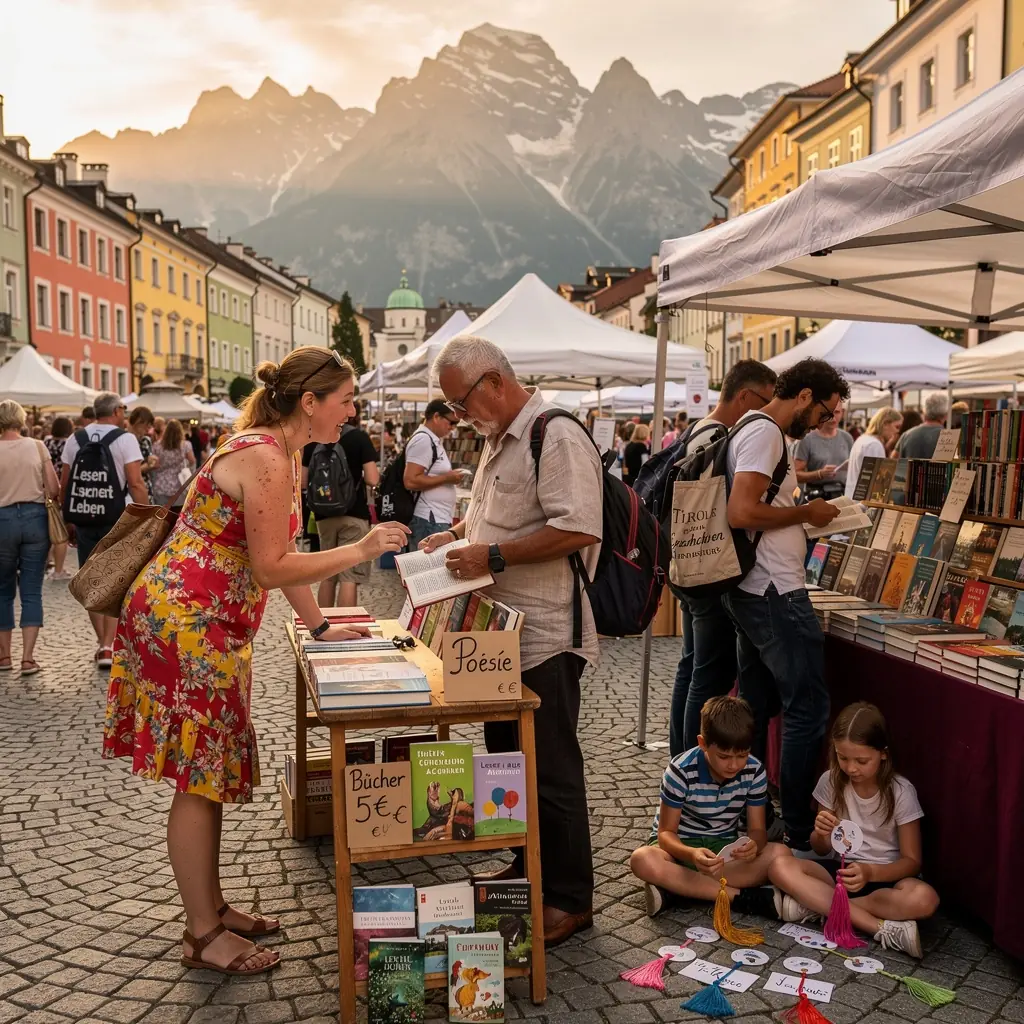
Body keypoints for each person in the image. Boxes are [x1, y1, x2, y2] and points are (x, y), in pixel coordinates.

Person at [102, 348, 410, 976]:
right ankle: (202, 934)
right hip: (187, 624)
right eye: (346, 400)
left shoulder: (277, 451)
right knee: (197, 776)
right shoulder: (268, 457)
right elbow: (271, 567)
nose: (352, 411)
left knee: (206, 771)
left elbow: (278, 550)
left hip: (203, 621)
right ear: (310, 402)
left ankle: (211, 907)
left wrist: (321, 626)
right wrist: (361, 549)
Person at [425, 335, 603, 946]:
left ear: (495, 382)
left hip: (545, 635)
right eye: (452, 407)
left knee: (551, 770)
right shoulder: (500, 438)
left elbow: (578, 528)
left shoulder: (555, 434)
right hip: (496, 639)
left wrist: (492, 554)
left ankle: (571, 897)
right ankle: (529, 866)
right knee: (508, 764)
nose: (458, 415)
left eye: (461, 402)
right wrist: (456, 535)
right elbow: (498, 517)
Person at [723, 358, 848, 851]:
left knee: (756, 707)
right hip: (773, 590)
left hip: (757, 588)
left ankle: (754, 814)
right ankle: (796, 825)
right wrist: (806, 513)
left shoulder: (753, 429)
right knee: (807, 709)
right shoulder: (766, 433)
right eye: (823, 413)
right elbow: (742, 511)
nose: (822, 423)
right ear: (805, 396)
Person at [667, 360, 779, 757]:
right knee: (709, 672)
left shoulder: (697, 429)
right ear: (745, 396)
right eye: (766, 401)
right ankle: (692, 762)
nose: (769, 411)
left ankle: (680, 758)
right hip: (708, 566)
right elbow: (730, 508)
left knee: (693, 665)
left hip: (689, 563)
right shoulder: (718, 436)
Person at [769, 702, 938, 957]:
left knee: (925, 899)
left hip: (884, 877)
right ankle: (878, 927)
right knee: (779, 866)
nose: (851, 768)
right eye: (843, 758)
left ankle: (817, 906)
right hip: (840, 871)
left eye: (861, 760)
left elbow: (912, 862)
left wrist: (870, 872)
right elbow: (820, 848)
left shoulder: (901, 792)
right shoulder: (831, 781)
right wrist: (821, 832)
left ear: (883, 753)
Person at [630, 696, 788, 918]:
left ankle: (678, 889)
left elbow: (757, 830)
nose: (733, 765)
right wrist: (692, 854)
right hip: (678, 849)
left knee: (781, 853)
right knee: (642, 859)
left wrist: (754, 844)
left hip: (722, 852)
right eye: (723, 756)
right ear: (702, 743)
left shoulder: (754, 770)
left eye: (742, 755)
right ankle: (739, 897)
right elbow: (665, 834)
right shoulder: (680, 770)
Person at [60, 392, 149, 669]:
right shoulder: (125, 439)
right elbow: (135, 483)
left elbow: (65, 484)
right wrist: (147, 516)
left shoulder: (75, 439)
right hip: (116, 518)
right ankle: (109, 646)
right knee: (114, 581)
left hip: (84, 516)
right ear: (117, 411)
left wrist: (68, 518)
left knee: (90, 580)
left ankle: (102, 643)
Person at [0, 400, 61, 675]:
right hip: (35, 518)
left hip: (2, 520)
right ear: (21, 419)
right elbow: (54, 488)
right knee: (32, 590)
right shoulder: (37, 446)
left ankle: (4, 657)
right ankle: (27, 658)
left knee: (3, 590)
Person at [305, 401, 381, 608]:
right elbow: (372, 479)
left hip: (323, 515)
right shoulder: (360, 438)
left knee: (327, 574)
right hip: (354, 513)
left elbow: (302, 481)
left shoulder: (314, 439)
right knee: (349, 576)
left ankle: (323, 622)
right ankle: (345, 622)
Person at [403, 399, 465, 550]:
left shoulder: (432, 439)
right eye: (451, 422)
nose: (452, 428)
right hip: (429, 518)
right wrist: (447, 478)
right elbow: (410, 480)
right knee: (428, 562)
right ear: (436, 417)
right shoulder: (423, 440)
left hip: (435, 517)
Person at [794, 400, 854, 499]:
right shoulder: (807, 439)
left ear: (842, 413)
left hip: (842, 494)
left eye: (837, 412)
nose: (832, 417)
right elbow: (796, 475)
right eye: (829, 413)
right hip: (816, 496)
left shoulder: (847, 438)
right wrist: (819, 474)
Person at [844, 408, 903, 499]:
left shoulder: (863, 439)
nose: (897, 431)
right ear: (885, 424)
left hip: (853, 498)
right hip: (863, 502)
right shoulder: (874, 445)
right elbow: (877, 483)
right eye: (897, 427)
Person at [43, 416, 74, 580]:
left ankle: (48, 561)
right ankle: (58, 569)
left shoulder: (46, 442)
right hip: (61, 486)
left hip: (45, 488)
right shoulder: (68, 443)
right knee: (60, 530)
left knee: (49, 527)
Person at [151, 419, 197, 507]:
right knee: (177, 513)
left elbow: (154, 464)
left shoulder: (157, 445)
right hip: (180, 486)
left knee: (162, 513)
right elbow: (192, 461)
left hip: (161, 485)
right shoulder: (185, 445)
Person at [895, 393, 949, 459]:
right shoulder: (949, 438)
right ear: (946, 415)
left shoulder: (906, 435)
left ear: (925, 411)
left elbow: (893, 460)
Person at [622, 422, 650, 487]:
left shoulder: (629, 445)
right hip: (638, 478)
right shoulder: (641, 446)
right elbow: (645, 463)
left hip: (629, 478)